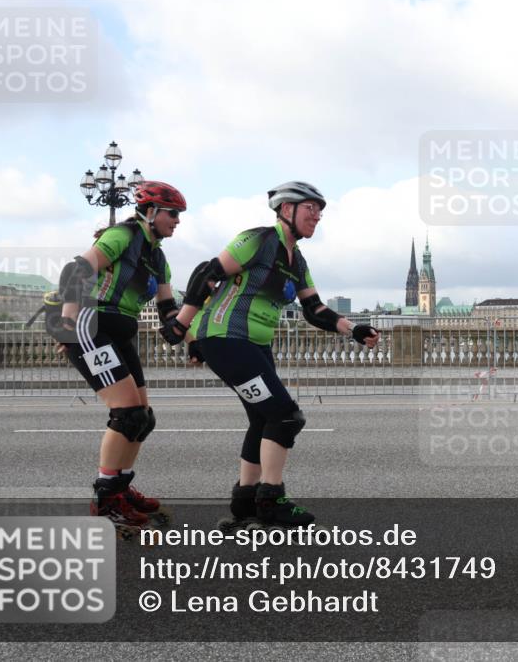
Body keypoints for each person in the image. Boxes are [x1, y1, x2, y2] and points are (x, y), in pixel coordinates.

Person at [165, 181, 378, 527]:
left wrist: (353, 329)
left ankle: (245, 503)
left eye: (320, 211)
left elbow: (314, 309)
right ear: (286, 209)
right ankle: (271, 499)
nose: (317, 216)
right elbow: (208, 273)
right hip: (226, 338)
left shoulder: (297, 260)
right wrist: (181, 326)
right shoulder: (258, 240)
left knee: (263, 418)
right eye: (311, 208)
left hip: (255, 345)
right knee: (286, 416)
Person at [54, 181, 187, 530]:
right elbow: (78, 270)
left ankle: (121, 487)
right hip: (92, 323)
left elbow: (168, 309)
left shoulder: (158, 257)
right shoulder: (123, 235)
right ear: (151, 211)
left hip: (122, 329)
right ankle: (106, 499)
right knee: (127, 414)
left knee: (143, 418)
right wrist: (67, 322)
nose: (177, 221)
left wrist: (193, 336)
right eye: (173, 214)